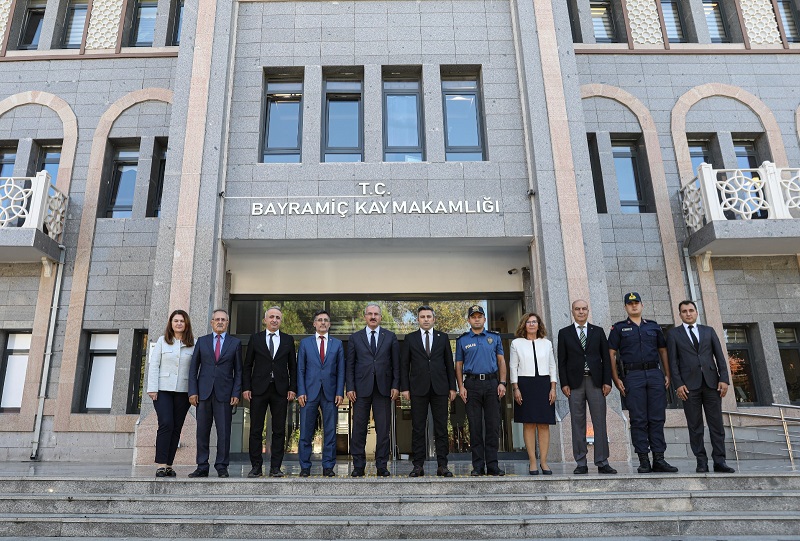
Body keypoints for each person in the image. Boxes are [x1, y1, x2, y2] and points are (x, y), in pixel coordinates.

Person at [608, 292, 678, 474]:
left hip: (655, 374)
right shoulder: (619, 328)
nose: (633, 306)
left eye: (636, 303)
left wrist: (667, 373)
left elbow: (663, 351)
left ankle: (659, 459)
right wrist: (616, 379)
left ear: (642, 305)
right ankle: (644, 460)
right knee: (638, 419)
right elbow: (611, 354)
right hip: (633, 375)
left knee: (657, 418)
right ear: (625, 307)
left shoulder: (653, 327)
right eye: (630, 304)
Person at [667, 300, 735, 473]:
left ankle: (719, 461)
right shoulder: (674, 334)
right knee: (695, 426)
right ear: (680, 314)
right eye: (684, 311)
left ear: (697, 312)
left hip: (712, 384)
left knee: (716, 425)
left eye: (691, 310)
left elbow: (720, 357)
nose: (688, 314)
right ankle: (701, 461)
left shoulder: (708, 331)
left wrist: (724, 379)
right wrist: (678, 384)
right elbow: (672, 362)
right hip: (689, 387)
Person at [557, 300, 617, 475]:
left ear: (588, 311)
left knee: (600, 422)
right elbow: (562, 361)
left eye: (584, 309)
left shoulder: (597, 332)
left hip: (596, 382)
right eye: (577, 309)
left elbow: (606, 359)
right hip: (574, 384)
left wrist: (607, 381)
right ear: (572, 311)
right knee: (577, 423)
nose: (581, 312)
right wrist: (564, 383)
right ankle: (581, 462)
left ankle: (602, 461)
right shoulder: (564, 333)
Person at [400, 305, 457, 478]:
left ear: (433, 319)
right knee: (418, 428)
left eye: (428, 317)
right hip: (418, 389)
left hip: (440, 388)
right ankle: (418, 465)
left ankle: (443, 465)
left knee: (441, 428)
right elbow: (404, 365)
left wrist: (452, 387)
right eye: (422, 317)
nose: (425, 319)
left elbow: (449, 364)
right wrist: (405, 388)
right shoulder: (410, 338)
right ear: (417, 319)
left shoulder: (443, 337)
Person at [242, 306, 297, 478]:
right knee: (256, 430)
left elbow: (293, 368)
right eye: (271, 317)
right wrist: (246, 387)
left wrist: (292, 388)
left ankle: (275, 468)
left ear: (281, 320)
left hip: (280, 390)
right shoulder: (255, 338)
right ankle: (256, 467)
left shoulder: (288, 340)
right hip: (258, 389)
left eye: (278, 317)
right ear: (265, 320)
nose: (274, 320)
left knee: (279, 430)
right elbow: (248, 365)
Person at [346, 303, 400, 477]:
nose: (373, 317)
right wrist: (350, 387)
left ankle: (382, 466)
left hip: (383, 389)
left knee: (383, 430)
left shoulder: (390, 337)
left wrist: (395, 385)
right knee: (359, 429)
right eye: (370, 314)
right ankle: (358, 466)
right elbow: (350, 365)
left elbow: (396, 365)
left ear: (381, 317)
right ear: (364, 317)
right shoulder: (355, 338)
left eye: (376, 314)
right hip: (361, 390)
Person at [188, 309, 242, 478]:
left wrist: (236, 392)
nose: (220, 322)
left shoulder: (235, 343)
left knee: (224, 432)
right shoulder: (202, 342)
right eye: (217, 319)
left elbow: (238, 371)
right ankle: (202, 466)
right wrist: (193, 391)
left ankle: (221, 466)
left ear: (227, 323)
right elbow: (193, 368)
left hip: (225, 394)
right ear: (211, 322)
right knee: (202, 431)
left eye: (223, 320)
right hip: (203, 393)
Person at [455, 305, 507, 476]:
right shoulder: (462, 340)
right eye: (473, 316)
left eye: (479, 316)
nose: (476, 319)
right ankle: (478, 466)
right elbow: (459, 365)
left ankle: (492, 465)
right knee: (475, 427)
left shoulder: (494, 338)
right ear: (469, 320)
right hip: (472, 385)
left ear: (484, 319)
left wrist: (502, 382)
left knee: (492, 426)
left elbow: (501, 361)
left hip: (492, 384)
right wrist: (461, 386)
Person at [147, 309, 195, 478]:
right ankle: (161, 464)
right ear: (171, 323)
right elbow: (153, 365)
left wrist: (193, 392)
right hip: (163, 390)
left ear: (186, 323)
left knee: (176, 428)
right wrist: (152, 388)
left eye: (182, 321)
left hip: (183, 391)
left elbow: (194, 370)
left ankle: (169, 465)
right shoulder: (162, 341)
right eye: (176, 321)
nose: (179, 323)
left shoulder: (192, 344)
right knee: (166, 423)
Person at [297, 309, 344, 477]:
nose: (323, 322)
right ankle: (305, 467)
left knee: (330, 432)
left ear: (329, 324)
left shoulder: (337, 344)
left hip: (331, 394)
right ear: (314, 324)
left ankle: (328, 467)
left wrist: (340, 391)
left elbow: (341, 371)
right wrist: (300, 391)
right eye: (320, 320)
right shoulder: (305, 343)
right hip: (308, 393)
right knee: (305, 432)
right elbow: (300, 369)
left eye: (326, 320)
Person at [510, 312, 557, 475]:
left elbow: (552, 366)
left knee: (544, 424)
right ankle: (532, 462)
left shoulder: (547, 343)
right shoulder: (517, 343)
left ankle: (544, 462)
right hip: (525, 384)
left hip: (544, 384)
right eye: (529, 322)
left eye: (534, 322)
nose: (531, 324)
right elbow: (513, 367)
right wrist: (515, 388)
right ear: (524, 324)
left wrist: (553, 387)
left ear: (539, 325)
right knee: (528, 423)